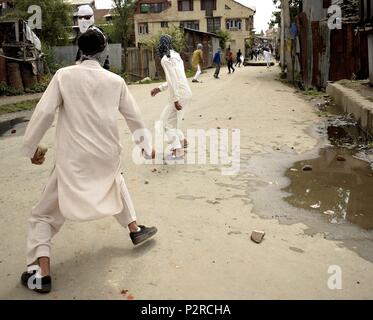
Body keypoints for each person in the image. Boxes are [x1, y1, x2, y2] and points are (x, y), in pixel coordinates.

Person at [20, 28, 157, 294]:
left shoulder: (64, 76)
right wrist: (146, 146)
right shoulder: (115, 81)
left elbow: (44, 112)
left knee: (43, 215)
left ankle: (40, 274)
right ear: (104, 51)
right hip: (107, 157)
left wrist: (32, 149)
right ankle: (135, 228)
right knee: (114, 180)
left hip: (74, 161)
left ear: (80, 50)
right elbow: (134, 116)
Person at [150, 35, 192, 160]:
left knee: (165, 123)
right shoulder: (177, 56)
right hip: (186, 93)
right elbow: (176, 79)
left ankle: (177, 150)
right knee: (171, 121)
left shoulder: (165, 59)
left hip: (179, 95)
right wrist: (160, 88)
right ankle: (183, 141)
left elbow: (173, 80)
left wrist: (175, 100)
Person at [75, 5, 110, 70]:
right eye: (80, 17)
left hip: (97, 70)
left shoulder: (95, 34)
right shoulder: (87, 34)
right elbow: (79, 59)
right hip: (94, 70)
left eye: (87, 17)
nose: (83, 21)